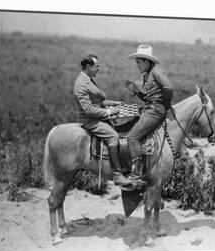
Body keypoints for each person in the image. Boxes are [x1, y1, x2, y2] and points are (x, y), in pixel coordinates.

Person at [73, 54, 131, 186]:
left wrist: (114, 103)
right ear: (88, 66)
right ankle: (117, 174)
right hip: (90, 120)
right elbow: (88, 109)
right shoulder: (81, 84)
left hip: (98, 116)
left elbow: (98, 101)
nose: (98, 69)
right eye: (96, 66)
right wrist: (109, 112)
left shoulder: (88, 79)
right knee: (113, 136)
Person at [125, 44, 174, 186]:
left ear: (147, 61)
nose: (137, 65)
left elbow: (169, 88)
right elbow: (150, 98)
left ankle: (137, 172)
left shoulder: (156, 71)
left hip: (155, 111)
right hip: (150, 109)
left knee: (132, 137)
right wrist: (138, 92)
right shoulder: (147, 75)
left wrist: (165, 106)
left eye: (139, 62)